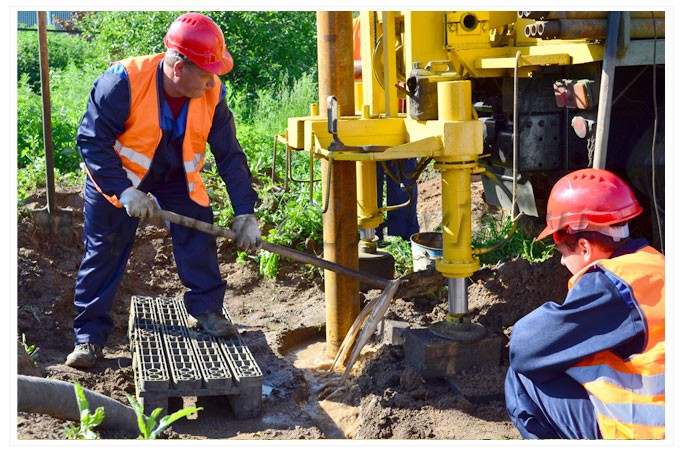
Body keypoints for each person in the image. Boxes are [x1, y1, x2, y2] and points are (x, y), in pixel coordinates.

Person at [66, 13, 261, 368]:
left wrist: (245, 211)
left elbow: (230, 155)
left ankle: (207, 310)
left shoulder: (212, 93)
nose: (211, 81)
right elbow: (92, 141)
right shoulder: (122, 82)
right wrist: (123, 191)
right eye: (205, 73)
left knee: (196, 229)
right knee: (105, 251)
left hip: (174, 175)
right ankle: (89, 338)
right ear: (177, 69)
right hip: (116, 177)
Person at [505, 168, 665, 439]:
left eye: (562, 252)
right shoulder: (655, 265)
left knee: (522, 376)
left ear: (584, 248)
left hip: (652, 433)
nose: (562, 262)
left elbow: (525, 347)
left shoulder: (613, 284)